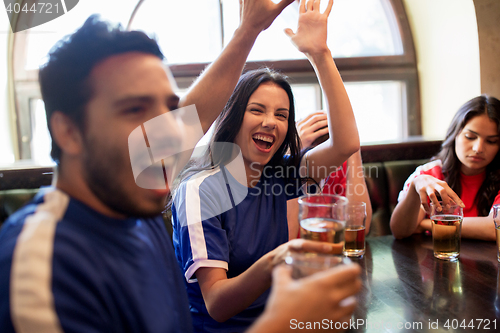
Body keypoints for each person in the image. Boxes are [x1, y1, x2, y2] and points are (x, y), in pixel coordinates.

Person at [0, 1, 361, 332]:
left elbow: (194, 114)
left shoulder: (136, 205)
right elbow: (217, 304)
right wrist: (282, 318)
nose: (169, 131)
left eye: (168, 111)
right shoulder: (42, 265)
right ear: (68, 130)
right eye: (134, 110)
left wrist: (252, 31)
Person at [171, 0, 361, 331]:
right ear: (232, 117)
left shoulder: (286, 174)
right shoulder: (200, 189)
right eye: (257, 110)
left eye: (282, 115)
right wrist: (277, 259)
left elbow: (345, 144)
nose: (271, 122)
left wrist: (320, 54)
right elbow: (216, 303)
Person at [390, 95, 500, 241]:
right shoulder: (428, 174)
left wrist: (427, 224)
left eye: (491, 141)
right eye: (470, 137)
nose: (478, 148)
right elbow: (400, 231)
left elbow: (494, 228)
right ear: (454, 134)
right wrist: (415, 186)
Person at [287, 111, 372, 239]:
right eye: (311, 151)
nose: (321, 159)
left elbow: (356, 227)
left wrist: (352, 148)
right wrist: (291, 152)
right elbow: (285, 238)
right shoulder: (286, 169)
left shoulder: (339, 168)